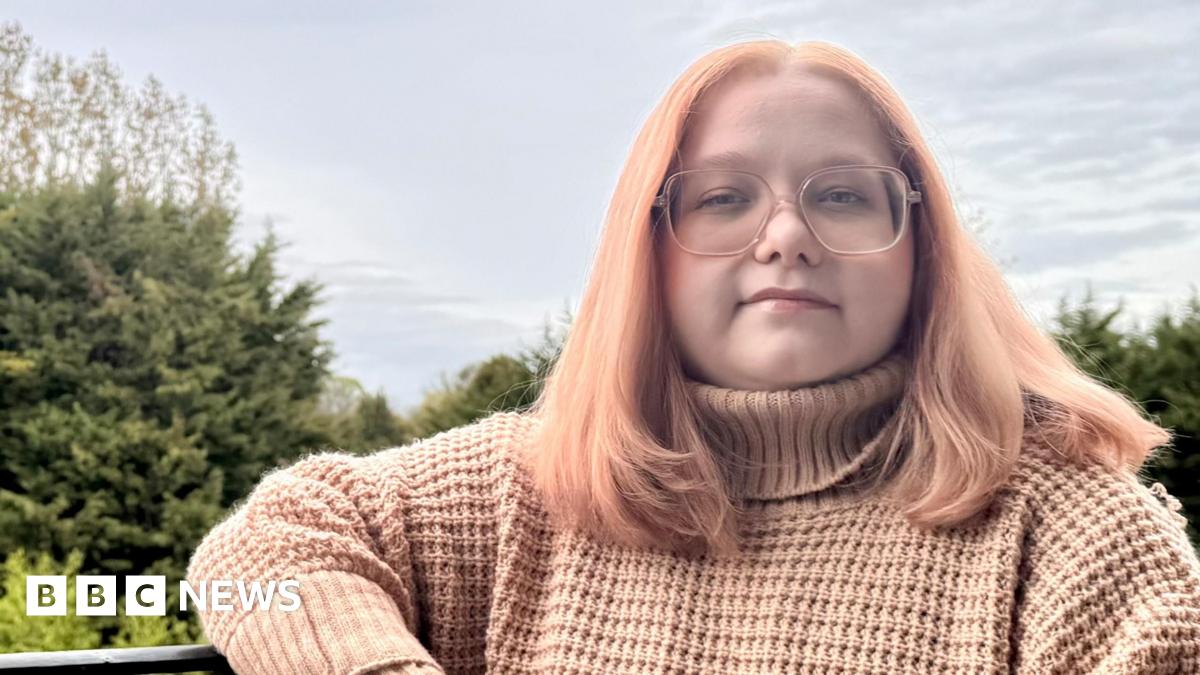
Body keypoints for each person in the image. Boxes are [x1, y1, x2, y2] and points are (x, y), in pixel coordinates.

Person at [186, 40, 1200, 674]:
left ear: (921, 243)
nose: (785, 235)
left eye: (843, 193)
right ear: (649, 250)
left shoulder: (1071, 532)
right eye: (723, 198)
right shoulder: (520, 493)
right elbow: (257, 556)